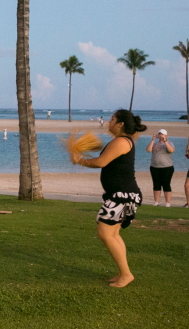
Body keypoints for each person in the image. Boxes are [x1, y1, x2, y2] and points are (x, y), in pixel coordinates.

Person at [70, 109, 144, 288]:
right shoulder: (123, 141)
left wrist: (79, 160)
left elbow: (101, 162)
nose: (109, 122)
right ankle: (123, 273)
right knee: (113, 234)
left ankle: (126, 274)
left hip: (122, 195)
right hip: (122, 194)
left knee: (105, 233)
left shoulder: (121, 141)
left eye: (112, 119)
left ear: (120, 124)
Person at [146, 129, 175, 206]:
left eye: (162, 134)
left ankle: (168, 202)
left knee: (166, 184)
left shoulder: (169, 143)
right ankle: (156, 201)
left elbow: (171, 150)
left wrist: (165, 141)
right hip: (154, 167)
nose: (160, 135)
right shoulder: (155, 144)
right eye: (159, 134)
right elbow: (148, 150)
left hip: (167, 167)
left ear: (165, 135)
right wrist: (152, 140)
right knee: (156, 184)